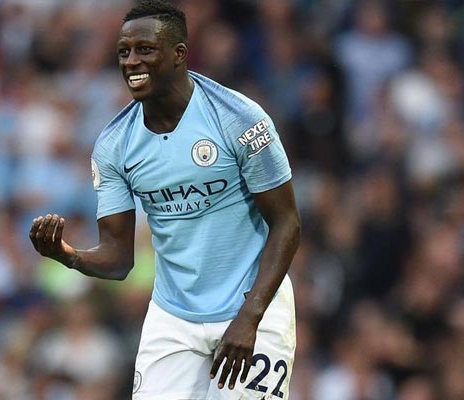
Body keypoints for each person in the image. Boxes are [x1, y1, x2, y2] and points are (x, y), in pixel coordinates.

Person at [29, 1, 301, 398]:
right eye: (124, 52)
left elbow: (287, 223)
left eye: (145, 49)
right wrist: (66, 254)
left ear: (179, 55)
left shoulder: (240, 119)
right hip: (173, 317)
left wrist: (250, 316)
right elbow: (119, 259)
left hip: (254, 307)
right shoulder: (114, 145)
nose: (132, 61)